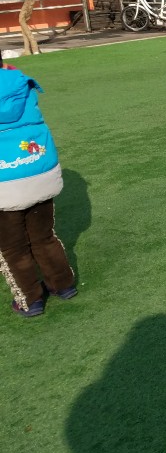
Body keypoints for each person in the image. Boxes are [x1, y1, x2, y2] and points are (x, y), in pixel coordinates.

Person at [0, 52, 77, 317]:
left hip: (5, 182)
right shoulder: (18, 81)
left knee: (12, 247)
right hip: (39, 169)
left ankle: (30, 299)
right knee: (43, 236)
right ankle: (63, 284)